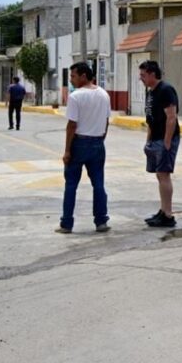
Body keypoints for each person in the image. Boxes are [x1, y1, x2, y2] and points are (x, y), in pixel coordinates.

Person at [57, 62, 111, 234]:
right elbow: (106, 121)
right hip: (97, 143)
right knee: (99, 184)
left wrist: (67, 150)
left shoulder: (75, 96)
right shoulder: (104, 94)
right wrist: (101, 137)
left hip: (79, 143)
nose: (71, 80)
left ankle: (67, 224)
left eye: (73, 76)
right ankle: (101, 221)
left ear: (83, 76)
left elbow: (72, 125)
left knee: (71, 184)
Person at [139, 60, 180, 228]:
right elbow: (150, 119)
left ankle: (168, 215)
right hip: (155, 139)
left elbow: (171, 117)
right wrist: (148, 141)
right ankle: (163, 211)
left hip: (165, 140)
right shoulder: (151, 92)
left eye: (143, 75)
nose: (140, 78)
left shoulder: (166, 90)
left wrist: (167, 142)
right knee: (159, 175)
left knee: (164, 175)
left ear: (151, 74)